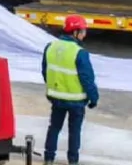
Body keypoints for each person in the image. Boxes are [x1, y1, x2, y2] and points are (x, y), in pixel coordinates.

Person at [41, 14, 98, 165]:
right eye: (83, 31)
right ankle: (72, 161)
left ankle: (48, 159)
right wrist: (94, 98)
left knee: (54, 128)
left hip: (56, 99)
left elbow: (46, 72)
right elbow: (87, 79)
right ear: (75, 32)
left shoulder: (50, 47)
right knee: (74, 132)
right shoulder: (79, 53)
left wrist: (54, 88)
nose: (85, 34)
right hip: (76, 102)